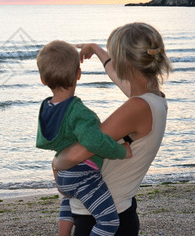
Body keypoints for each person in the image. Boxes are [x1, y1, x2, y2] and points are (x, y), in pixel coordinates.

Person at [52, 22, 173, 235]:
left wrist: (56, 162)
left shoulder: (137, 107)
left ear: (125, 61)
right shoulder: (154, 98)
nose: (113, 62)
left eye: (115, 56)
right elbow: (117, 76)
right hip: (119, 211)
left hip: (101, 219)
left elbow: (82, 150)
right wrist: (98, 50)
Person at [36, 40, 132, 236]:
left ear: (43, 79)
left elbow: (46, 139)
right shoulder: (78, 111)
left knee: (68, 202)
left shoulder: (46, 108)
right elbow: (94, 142)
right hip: (83, 176)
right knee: (109, 222)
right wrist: (122, 151)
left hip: (63, 178)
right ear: (78, 74)